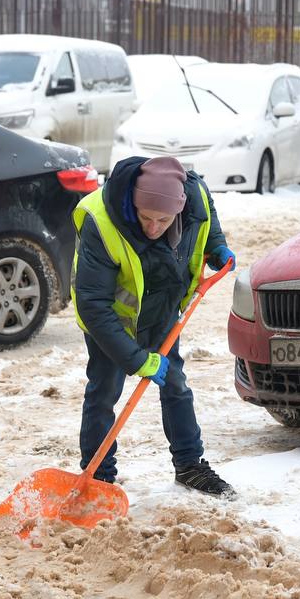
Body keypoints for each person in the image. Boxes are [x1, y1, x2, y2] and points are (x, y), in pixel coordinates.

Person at [71, 155, 237, 497]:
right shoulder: (101, 222)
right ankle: (98, 477)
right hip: (112, 319)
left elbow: (206, 216)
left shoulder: (195, 197)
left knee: (175, 383)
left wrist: (216, 244)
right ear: (133, 202)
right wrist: (136, 360)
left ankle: (190, 465)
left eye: (163, 219)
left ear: (180, 207)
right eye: (145, 217)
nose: (153, 227)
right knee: (104, 391)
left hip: (162, 307)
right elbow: (92, 303)